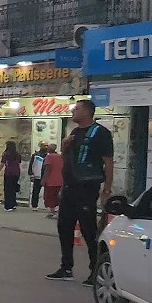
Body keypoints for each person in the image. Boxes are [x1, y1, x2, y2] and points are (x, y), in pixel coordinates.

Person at [47, 100, 113, 284]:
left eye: (76, 109)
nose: (73, 112)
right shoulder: (75, 132)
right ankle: (66, 267)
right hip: (70, 188)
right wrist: (65, 145)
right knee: (64, 226)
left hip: (87, 188)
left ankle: (95, 269)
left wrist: (107, 189)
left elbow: (108, 162)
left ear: (87, 112)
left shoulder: (100, 133)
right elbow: (67, 159)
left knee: (88, 229)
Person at [0, 140, 22, 211]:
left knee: (8, 189)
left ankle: (8, 206)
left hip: (9, 173)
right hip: (16, 172)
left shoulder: (6, 154)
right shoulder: (18, 154)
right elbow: (19, 163)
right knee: (13, 189)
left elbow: (2, 164)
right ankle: (13, 204)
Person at [42, 143, 63, 219]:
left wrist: (44, 179)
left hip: (51, 180)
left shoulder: (49, 157)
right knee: (59, 197)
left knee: (51, 197)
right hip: (60, 179)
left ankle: (52, 212)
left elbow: (48, 169)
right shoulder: (60, 156)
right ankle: (60, 212)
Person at [28, 141, 47, 209]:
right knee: (36, 191)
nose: (46, 147)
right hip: (37, 175)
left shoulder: (48, 155)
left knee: (48, 192)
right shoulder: (35, 155)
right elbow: (31, 165)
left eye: (47, 145)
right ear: (40, 146)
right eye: (44, 145)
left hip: (46, 175)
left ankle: (47, 205)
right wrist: (31, 174)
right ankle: (34, 205)